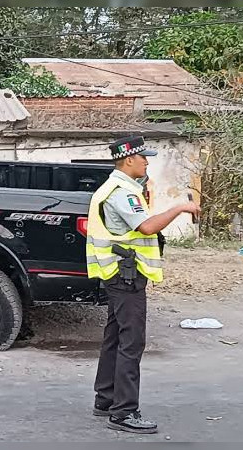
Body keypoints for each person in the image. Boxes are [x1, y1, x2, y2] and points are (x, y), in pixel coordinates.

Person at [87, 135, 200, 434]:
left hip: (118, 272)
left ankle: (106, 399)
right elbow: (147, 226)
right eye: (143, 158)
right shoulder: (121, 192)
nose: (147, 162)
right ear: (129, 160)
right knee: (131, 341)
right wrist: (179, 208)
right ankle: (123, 412)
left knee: (115, 336)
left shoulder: (120, 188)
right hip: (126, 275)